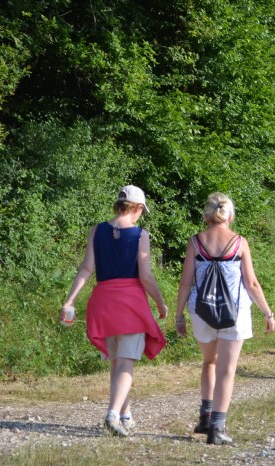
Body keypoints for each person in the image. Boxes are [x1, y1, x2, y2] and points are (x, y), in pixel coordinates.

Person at [61, 185, 168, 437]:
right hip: (130, 304)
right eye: (141, 211)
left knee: (117, 361)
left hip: (104, 302)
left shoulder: (96, 230)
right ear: (137, 208)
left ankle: (125, 414)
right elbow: (146, 276)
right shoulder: (140, 235)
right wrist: (160, 302)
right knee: (126, 363)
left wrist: (70, 300)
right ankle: (112, 414)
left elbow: (86, 268)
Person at [175, 193, 275, 445]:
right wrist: (267, 312)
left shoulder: (195, 242)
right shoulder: (239, 242)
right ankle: (217, 428)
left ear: (207, 215)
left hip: (201, 311)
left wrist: (179, 316)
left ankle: (205, 417)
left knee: (209, 361)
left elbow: (185, 283)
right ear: (229, 215)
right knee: (227, 370)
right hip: (234, 312)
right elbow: (251, 284)